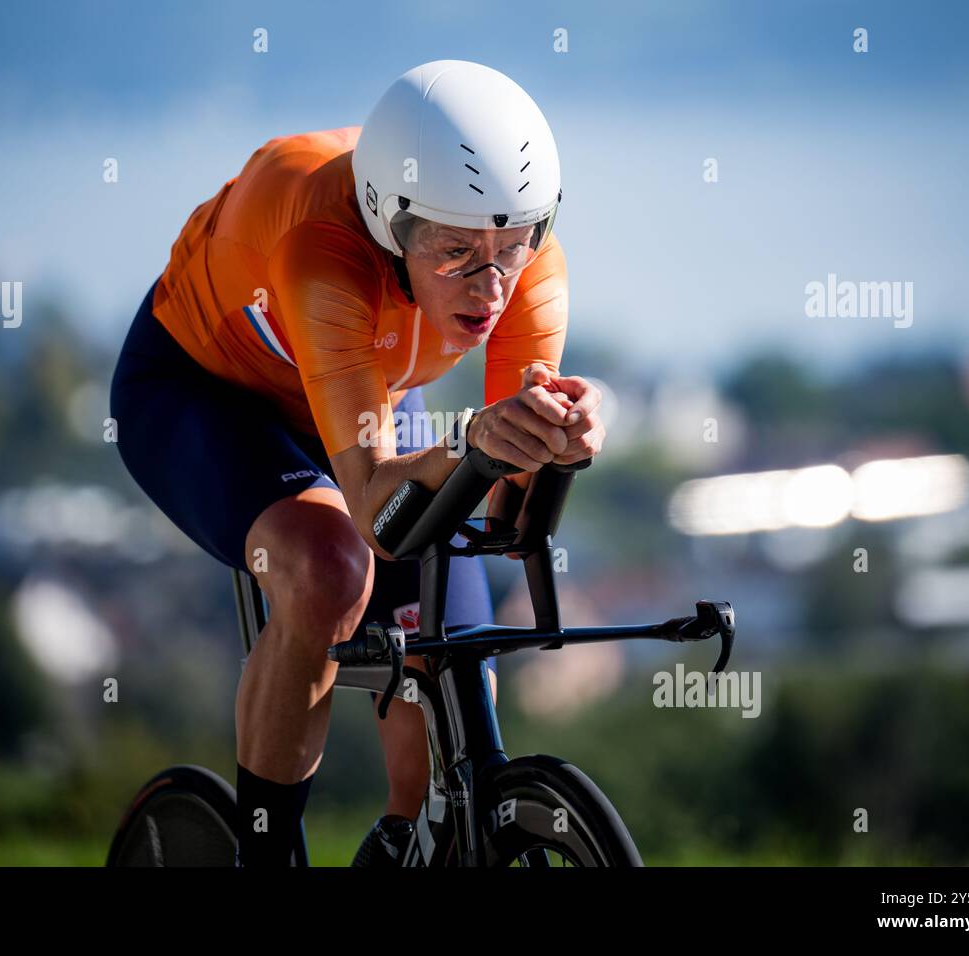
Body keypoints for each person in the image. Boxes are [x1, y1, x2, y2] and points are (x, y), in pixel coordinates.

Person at [110, 59, 604, 867]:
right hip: (206, 392)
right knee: (331, 569)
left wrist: (558, 449)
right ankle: (266, 855)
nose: (489, 285)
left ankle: (411, 842)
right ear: (390, 224)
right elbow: (376, 511)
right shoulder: (324, 249)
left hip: (365, 385)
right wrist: (477, 441)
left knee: (454, 642)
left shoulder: (525, 264)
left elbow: (503, 524)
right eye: (454, 252)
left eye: (511, 249)